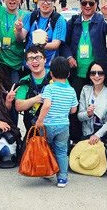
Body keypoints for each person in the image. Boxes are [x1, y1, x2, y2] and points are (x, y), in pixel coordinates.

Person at [62, 0, 107, 99]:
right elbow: (64, 44)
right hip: (77, 72)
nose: (87, 6)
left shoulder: (101, 19)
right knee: (78, 102)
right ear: (80, 4)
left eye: (91, 3)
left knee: (104, 101)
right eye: (84, 3)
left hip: (98, 73)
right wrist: (69, 57)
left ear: (96, 5)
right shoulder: (73, 21)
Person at [35, 57, 78, 187]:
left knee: (46, 148)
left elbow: (47, 105)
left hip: (47, 124)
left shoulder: (49, 88)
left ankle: (47, 170)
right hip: (63, 125)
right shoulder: (71, 90)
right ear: (69, 74)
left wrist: (39, 121)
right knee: (62, 151)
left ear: (51, 73)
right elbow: (73, 110)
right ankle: (62, 178)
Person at [17, 0, 66, 70]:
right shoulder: (31, 16)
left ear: (54, 2)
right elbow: (20, 38)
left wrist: (43, 45)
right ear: (38, 1)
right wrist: (18, 30)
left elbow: (55, 44)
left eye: (49, 0)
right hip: (30, 65)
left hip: (48, 66)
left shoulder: (59, 20)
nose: (45, 3)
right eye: (42, 0)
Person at [15, 46, 50, 133]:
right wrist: (36, 99)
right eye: (30, 58)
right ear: (27, 63)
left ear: (45, 59)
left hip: (54, 126)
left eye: (38, 57)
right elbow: (18, 106)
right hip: (33, 130)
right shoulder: (24, 81)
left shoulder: (56, 75)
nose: (34, 61)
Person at [77, 62, 107, 143]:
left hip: (105, 134)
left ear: (105, 74)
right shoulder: (85, 90)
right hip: (88, 133)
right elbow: (79, 116)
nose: (96, 76)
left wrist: (97, 135)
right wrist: (88, 114)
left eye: (100, 73)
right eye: (93, 73)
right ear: (89, 75)